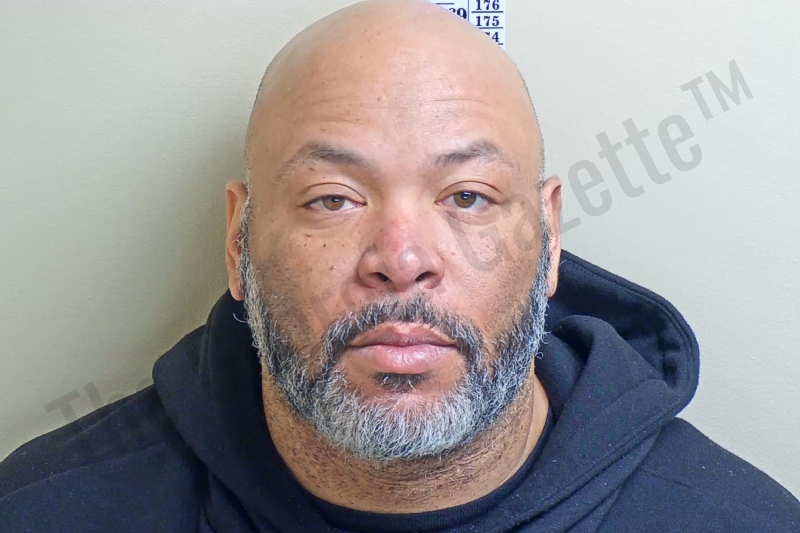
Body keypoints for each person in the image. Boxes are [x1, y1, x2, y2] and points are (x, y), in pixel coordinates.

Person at [1, 1, 798, 531]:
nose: (403, 261)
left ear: (549, 238)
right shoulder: (45, 511)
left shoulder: (740, 521)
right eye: (333, 199)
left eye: (468, 196)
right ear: (240, 241)